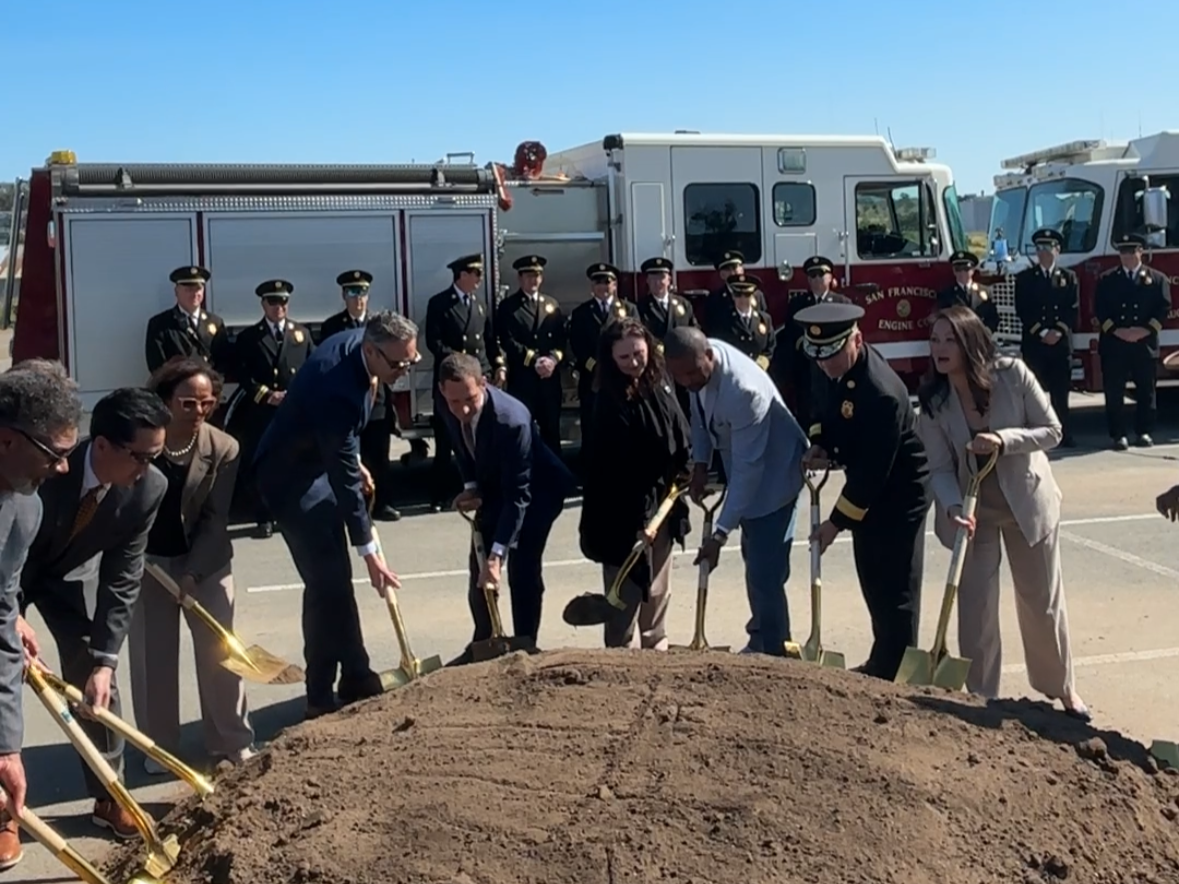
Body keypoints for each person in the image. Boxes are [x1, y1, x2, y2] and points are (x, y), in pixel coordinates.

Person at [916, 307, 1089, 719]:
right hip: (973, 513)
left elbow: (1052, 431)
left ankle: (1063, 690)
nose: (939, 349)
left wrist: (1003, 440)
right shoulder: (934, 401)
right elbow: (939, 468)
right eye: (935, 339)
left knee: (1041, 602)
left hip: (1027, 504)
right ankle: (981, 695)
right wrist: (954, 508)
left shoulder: (1012, 374)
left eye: (949, 340)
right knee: (974, 607)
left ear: (969, 342)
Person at [19, 388, 169, 839]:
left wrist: (105, 660)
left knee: (97, 677)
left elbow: (124, 574)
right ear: (101, 445)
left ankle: (110, 794)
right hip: (8, 570)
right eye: (140, 457)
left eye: (154, 456)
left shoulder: (148, 489)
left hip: (64, 577)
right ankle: (8, 810)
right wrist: (8, 616)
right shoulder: (42, 470)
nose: (147, 469)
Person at [253, 312, 412, 720]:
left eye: (410, 363)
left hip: (321, 461)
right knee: (327, 583)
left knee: (333, 582)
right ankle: (320, 692)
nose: (403, 372)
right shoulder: (335, 385)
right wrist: (371, 552)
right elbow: (345, 484)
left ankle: (356, 674)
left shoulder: (362, 341)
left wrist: (349, 457)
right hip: (290, 478)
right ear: (371, 350)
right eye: (396, 365)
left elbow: (342, 443)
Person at [128, 358, 255, 774]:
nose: (199, 412)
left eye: (208, 403)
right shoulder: (141, 442)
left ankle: (231, 741)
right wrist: (135, 556)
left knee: (221, 650)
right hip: (148, 562)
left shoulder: (224, 448)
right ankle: (160, 747)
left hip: (207, 561)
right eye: (188, 403)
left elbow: (216, 520)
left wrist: (193, 573)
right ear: (165, 402)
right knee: (154, 657)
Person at [796, 302, 930, 680]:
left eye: (833, 354)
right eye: (819, 356)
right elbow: (820, 402)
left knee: (895, 584)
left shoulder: (881, 392)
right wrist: (820, 442)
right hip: (867, 484)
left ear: (857, 340)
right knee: (871, 574)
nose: (825, 363)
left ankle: (897, 668)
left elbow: (872, 473)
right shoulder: (829, 362)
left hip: (899, 492)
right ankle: (882, 656)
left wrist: (834, 524)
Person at [663, 326, 808, 657]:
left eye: (691, 373)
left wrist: (719, 535)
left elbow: (748, 470)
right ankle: (761, 637)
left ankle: (775, 652)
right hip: (746, 468)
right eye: (679, 375)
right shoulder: (695, 361)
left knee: (764, 571)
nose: (686, 381)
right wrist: (700, 464)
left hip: (774, 476)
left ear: (709, 357)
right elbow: (700, 418)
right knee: (754, 563)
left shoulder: (742, 391)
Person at [438, 353, 575, 663]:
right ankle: (485, 642)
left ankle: (524, 646)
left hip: (538, 491)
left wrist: (498, 556)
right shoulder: (449, 402)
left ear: (484, 384)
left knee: (521, 565)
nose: (462, 409)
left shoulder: (511, 420)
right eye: (454, 401)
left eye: (470, 399)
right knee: (479, 565)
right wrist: (471, 486)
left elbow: (519, 496)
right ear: (443, 391)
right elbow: (462, 447)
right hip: (497, 487)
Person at [0, 363, 81, 870]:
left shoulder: (24, 510)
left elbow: (3, 611)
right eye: (55, 454)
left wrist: (6, 747)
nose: (64, 469)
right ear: (7, 440)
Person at [579, 318, 691, 649]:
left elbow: (680, 430)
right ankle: (621, 658)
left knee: (657, 590)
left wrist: (687, 468)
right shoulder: (608, 401)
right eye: (624, 357)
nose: (634, 362)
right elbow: (616, 470)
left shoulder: (660, 381)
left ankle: (656, 645)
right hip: (620, 515)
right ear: (610, 359)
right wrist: (641, 522)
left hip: (663, 505)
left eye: (638, 353)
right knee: (624, 597)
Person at [224, 279, 314, 538]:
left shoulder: (301, 334)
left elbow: (310, 369)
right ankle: (263, 517)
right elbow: (243, 374)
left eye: (283, 301)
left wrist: (296, 395)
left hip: (293, 411)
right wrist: (267, 395)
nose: (278, 307)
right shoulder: (249, 338)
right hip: (262, 412)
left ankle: (291, 514)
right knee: (264, 465)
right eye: (272, 302)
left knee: (294, 463)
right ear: (263, 304)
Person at [424, 254, 503, 512]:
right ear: (462, 275)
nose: (480, 279)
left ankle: (478, 488)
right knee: (448, 439)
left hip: (477, 382)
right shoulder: (440, 304)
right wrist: (461, 363)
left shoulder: (479, 306)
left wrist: (497, 366)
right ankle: (439, 494)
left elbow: (489, 342)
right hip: (453, 383)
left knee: (478, 439)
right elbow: (434, 343)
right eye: (476, 274)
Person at [321, 270, 401, 522]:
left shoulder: (379, 325)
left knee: (378, 455)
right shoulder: (332, 326)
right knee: (346, 456)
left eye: (363, 293)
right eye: (353, 293)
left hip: (376, 401)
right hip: (347, 401)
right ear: (344, 296)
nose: (358, 299)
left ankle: (382, 504)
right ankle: (349, 506)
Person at [1095, 232, 1172, 451]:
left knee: (1146, 391)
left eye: (1131, 252)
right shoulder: (1107, 279)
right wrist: (1117, 331)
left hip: (1143, 344)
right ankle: (1118, 435)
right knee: (1114, 392)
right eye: (1122, 252)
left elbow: (1163, 309)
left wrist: (1144, 331)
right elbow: (1100, 310)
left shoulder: (1157, 279)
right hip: (1115, 344)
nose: (1126, 256)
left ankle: (1144, 431)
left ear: (1141, 252)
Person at [565, 262, 637, 470]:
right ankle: (592, 471)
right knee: (593, 425)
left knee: (623, 425)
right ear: (591, 286)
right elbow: (577, 346)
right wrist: (596, 367)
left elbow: (637, 340)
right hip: (593, 378)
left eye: (608, 282)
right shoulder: (581, 313)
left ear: (615, 285)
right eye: (598, 282)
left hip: (623, 376)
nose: (603, 287)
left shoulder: (629, 309)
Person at [494, 255, 567, 456]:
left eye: (537, 276)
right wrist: (534, 361)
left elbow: (561, 341)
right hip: (523, 380)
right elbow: (507, 341)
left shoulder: (551, 305)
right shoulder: (509, 307)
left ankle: (555, 479)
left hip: (549, 381)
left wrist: (552, 360)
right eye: (528, 276)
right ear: (520, 279)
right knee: (522, 431)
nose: (533, 280)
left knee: (552, 432)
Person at [1014, 229, 1078, 447]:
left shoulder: (1069, 278)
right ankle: (1039, 435)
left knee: (1061, 393)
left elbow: (1072, 308)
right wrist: (1042, 332)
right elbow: (1023, 309)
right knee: (1036, 393)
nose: (1043, 252)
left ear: (1057, 250)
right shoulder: (1025, 279)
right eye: (1039, 248)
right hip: (1036, 345)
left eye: (1048, 247)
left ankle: (1064, 433)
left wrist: (1057, 331)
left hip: (1060, 345)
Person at [775, 256, 849, 433]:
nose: (817, 279)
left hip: (834, 372)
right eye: (812, 275)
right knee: (807, 416)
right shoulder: (798, 305)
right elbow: (790, 338)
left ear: (831, 277)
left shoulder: (842, 303)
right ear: (808, 280)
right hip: (806, 373)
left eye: (821, 274)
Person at [144, 266, 232, 377]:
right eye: (189, 290)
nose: (195, 294)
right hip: (176, 391)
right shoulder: (159, 324)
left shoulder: (216, 322)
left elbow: (224, 361)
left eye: (198, 289)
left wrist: (213, 386)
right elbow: (157, 365)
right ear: (176, 291)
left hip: (209, 390)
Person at [708, 276, 775, 370]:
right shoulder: (722, 320)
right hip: (734, 372)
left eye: (747, 295)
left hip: (758, 372)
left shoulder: (764, 319)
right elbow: (719, 347)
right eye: (738, 295)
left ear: (752, 297)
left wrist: (762, 363)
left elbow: (770, 347)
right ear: (733, 297)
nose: (742, 299)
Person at [937, 250, 1000, 333]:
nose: (962, 273)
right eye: (958, 269)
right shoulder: (946, 294)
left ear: (973, 270)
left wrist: (987, 332)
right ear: (953, 271)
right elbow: (943, 319)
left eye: (966, 269)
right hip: (958, 338)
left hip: (979, 338)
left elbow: (993, 317)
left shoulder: (985, 291)